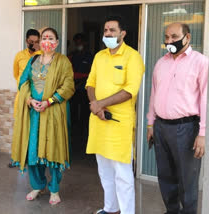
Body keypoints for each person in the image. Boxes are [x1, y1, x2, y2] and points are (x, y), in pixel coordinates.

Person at [147, 22, 208, 214]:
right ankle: (172, 211)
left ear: (187, 37)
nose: (169, 41)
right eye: (166, 37)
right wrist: (150, 124)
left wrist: (202, 133)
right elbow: (153, 95)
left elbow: (205, 99)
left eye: (174, 37)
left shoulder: (200, 62)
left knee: (187, 180)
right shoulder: (161, 62)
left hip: (186, 129)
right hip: (161, 127)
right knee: (166, 177)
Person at [86, 16, 145, 214]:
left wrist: (100, 104)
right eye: (105, 30)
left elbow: (130, 91)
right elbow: (90, 83)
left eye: (112, 30)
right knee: (104, 171)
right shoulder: (99, 56)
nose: (108, 34)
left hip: (119, 125)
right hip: (99, 122)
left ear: (123, 33)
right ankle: (110, 209)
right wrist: (96, 105)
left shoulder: (132, 57)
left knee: (122, 173)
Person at [11, 27, 75, 205]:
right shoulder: (32, 61)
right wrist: (30, 100)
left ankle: (54, 189)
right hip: (34, 113)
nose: (47, 41)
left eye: (51, 38)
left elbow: (68, 85)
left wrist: (50, 101)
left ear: (57, 42)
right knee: (33, 150)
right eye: (44, 38)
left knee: (53, 150)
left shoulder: (63, 62)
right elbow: (23, 82)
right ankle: (37, 185)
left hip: (53, 112)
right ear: (40, 41)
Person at [68, 33, 93, 146]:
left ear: (85, 43)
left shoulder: (90, 57)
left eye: (80, 43)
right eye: (76, 43)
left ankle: (83, 137)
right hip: (73, 89)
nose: (78, 45)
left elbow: (93, 74)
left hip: (86, 90)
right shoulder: (72, 56)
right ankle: (73, 135)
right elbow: (68, 72)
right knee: (73, 113)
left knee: (84, 113)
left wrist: (81, 77)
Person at [13, 29, 41, 117]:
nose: (33, 44)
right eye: (31, 42)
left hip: (37, 97)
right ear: (26, 41)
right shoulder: (19, 55)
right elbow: (16, 75)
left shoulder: (42, 55)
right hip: (23, 95)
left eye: (36, 42)